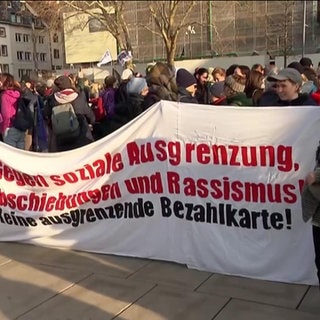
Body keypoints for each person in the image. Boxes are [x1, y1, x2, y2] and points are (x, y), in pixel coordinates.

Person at [44, 75, 95, 152]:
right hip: (81, 138)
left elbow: (46, 115)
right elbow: (90, 116)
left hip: (60, 140)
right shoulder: (79, 97)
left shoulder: (52, 100)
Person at [0, 73, 26, 149]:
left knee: (11, 156)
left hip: (9, 127)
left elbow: (6, 114)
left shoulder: (5, 95)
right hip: (20, 127)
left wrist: (3, 129)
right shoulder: (18, 93)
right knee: (20, 155)